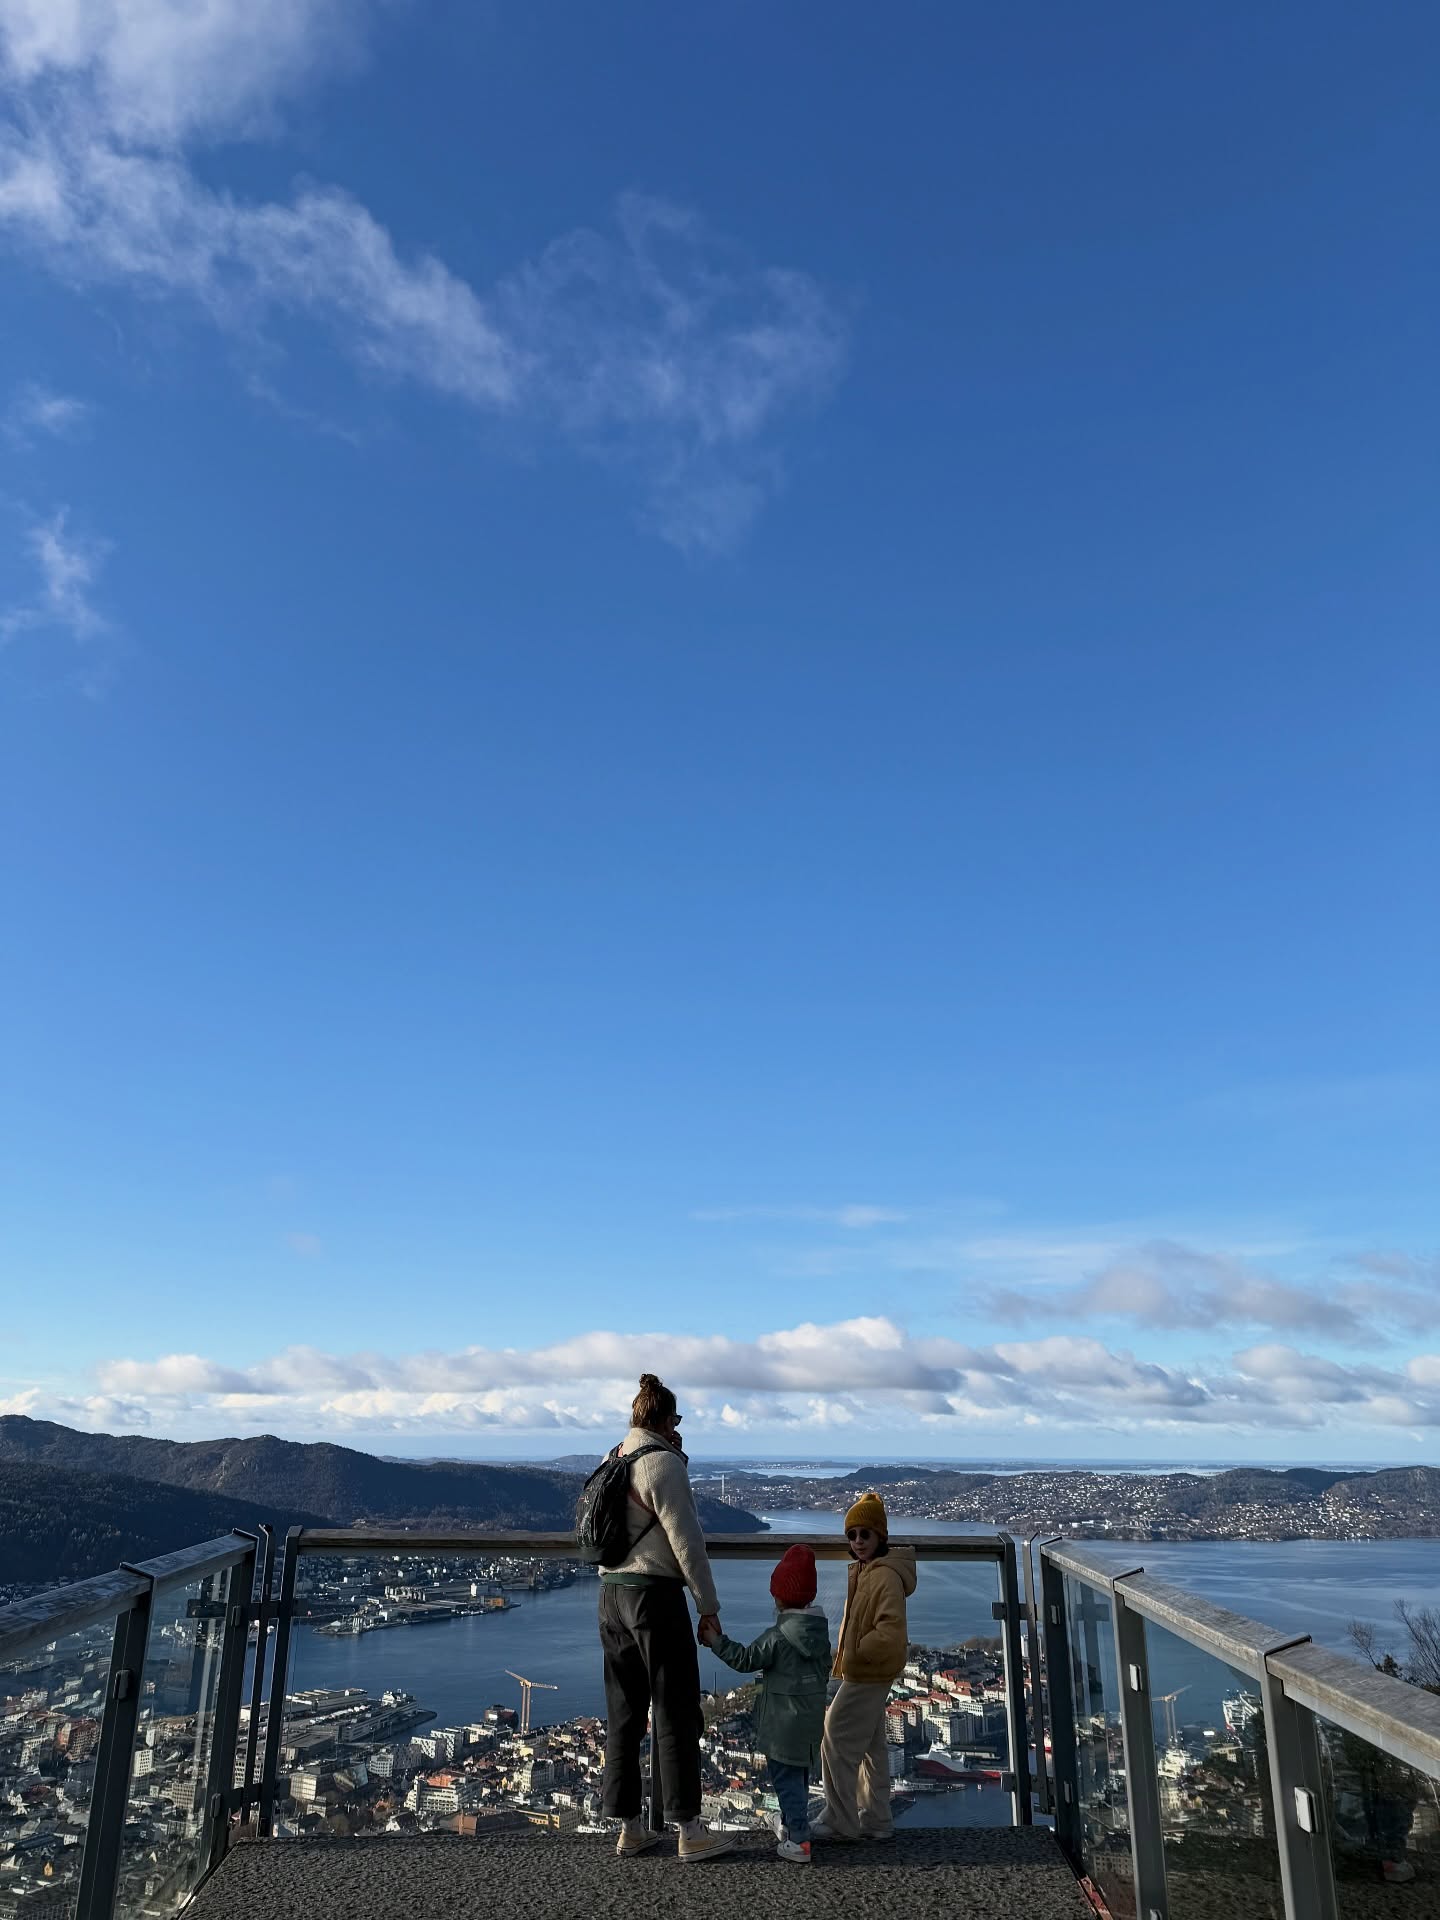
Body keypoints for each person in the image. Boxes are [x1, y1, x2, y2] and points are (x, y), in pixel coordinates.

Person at [598, 1373, 733, 1862]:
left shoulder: (614, 1457)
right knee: (675, 1711)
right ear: (662, 1419)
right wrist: (708, 1608)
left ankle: (629, 1828)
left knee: (624, 1713)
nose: (678, 1426)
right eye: (675, 1418)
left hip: (610, 1595)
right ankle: (689, 1831)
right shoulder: (662, 1463)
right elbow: (687, 1543)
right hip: (654, 1598)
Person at [700, 1544, 831, 1864]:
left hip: (783, 1723)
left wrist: (716, 1641)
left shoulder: (779, 1636)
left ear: (779, 1596)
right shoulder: (820, 1634)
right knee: (798, 1777)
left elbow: (745, 1659)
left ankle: (799, 1841)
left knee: (786, 1780)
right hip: (810, 1720)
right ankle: (790, 1825)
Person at [812, 1490, 916, 1843]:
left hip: (869, 1670)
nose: (857, 1541)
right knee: (872, 1748)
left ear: (880, 1536)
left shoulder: (883, 1576)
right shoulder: (867, 1570)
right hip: (870, 1669)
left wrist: (857, 1650)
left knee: (835, 1736)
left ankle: (839, 1819)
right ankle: (877, 1819)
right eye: (852, 1535)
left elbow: (890, 1630)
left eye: (865, 1534)